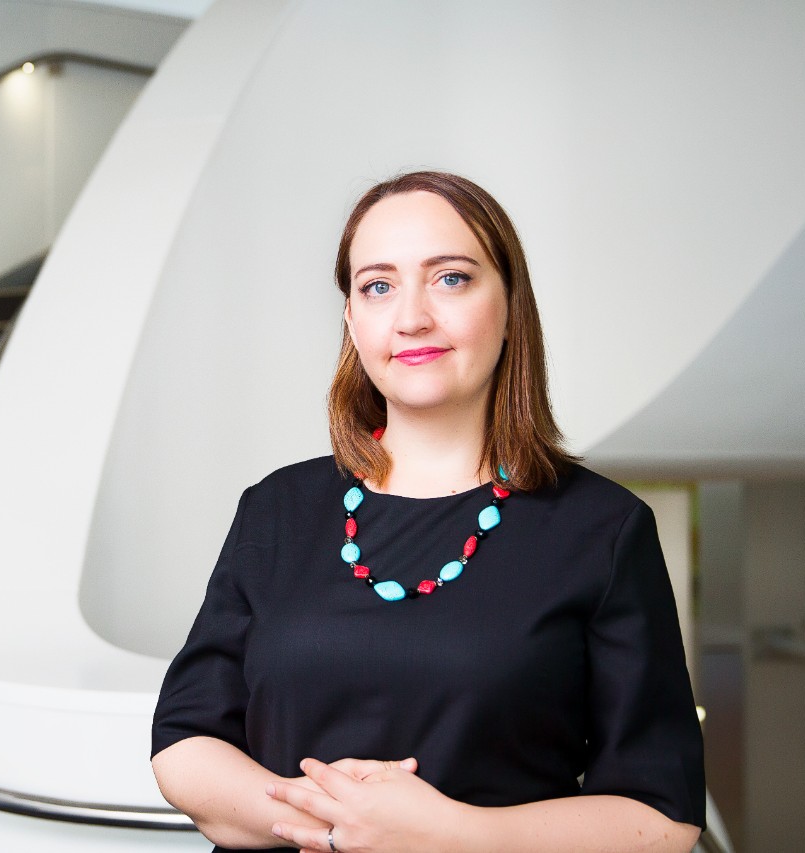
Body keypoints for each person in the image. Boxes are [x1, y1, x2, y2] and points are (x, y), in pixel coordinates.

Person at [149, 171, 705, 852]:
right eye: (377, 286)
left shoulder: (603, 529)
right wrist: (340, 825)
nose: (411, 316)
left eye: (451, 278)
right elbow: (186, 739)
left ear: (509, 306)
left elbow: (664, 816)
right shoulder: (276, 509)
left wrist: (452, 833)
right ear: (352, 318)